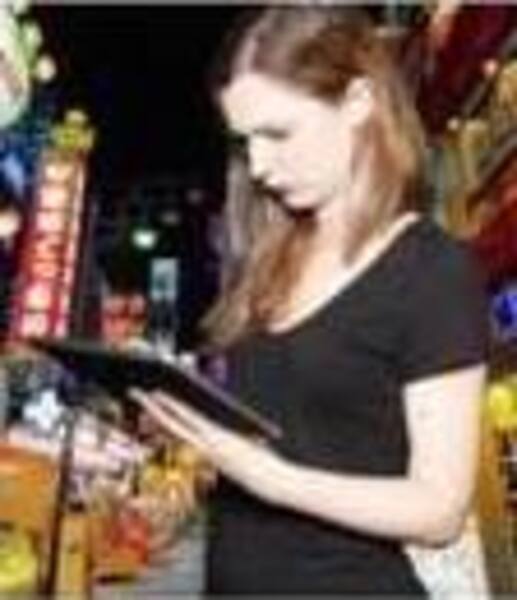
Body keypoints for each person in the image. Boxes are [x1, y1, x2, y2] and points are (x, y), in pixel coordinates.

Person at [131, 6, 489, 596]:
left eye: (278, 133)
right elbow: (291, 425)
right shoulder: (269, 261)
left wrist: (272, 479)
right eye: (246, 143)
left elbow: (438, 510)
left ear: (358, 102)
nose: (261, 166)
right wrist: (182, 417)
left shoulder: (432, 269)